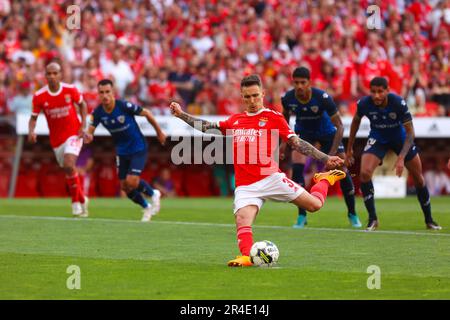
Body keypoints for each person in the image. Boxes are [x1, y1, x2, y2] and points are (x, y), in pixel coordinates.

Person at [170, 74, 346, 267]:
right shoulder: (235, 120)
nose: (252, 101)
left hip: (270, 178)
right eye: (247, 97)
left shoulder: (273, 117)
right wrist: (181, 115)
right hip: (246, 185)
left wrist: (325, 158)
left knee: (314, 206)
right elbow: (207, 127)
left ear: (263, 94)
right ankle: (246, 256)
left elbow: (297, 143)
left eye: (255, 95)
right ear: (242, 97)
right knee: (242, 218)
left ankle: (323, 180)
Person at [346, 77, 442, 231]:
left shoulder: (398, 103)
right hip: (378, 137)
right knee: (364, 173)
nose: (376, 95)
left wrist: (401, 158)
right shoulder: (364, 103)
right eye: (373, 92)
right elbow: (355, 122)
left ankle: (429, 219)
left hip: (400, 139)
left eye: (380, 92)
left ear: (387, 90)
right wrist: (349, 148)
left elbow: (410, 133)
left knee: (418, 178)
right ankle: (373, 219)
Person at [281, 66, 361, 229]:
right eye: (296, 83)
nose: (299, 86)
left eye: (303, 82)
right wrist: (283, 144)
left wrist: (330, 155)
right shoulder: (288, 98)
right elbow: (284, 123)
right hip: (304, 134)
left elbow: (339, 126)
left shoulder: (322, 97)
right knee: (297, 169)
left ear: (309, 82)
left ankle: (352, 213)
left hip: (327, 134)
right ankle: (301, 216)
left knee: (342, 169)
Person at [84, 79, 166, 222]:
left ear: (113, 92)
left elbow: (146, 113)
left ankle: (153, 193)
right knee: (125, 187)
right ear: (98, 94)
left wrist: (159, 132)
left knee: (132, 182)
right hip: (122, 151)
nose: (105, 95)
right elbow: (90, 129)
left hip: (138, 147)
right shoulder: (98, 112)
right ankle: (146, 207)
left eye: (107, 92)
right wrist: (88, 136)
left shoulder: (123, 106)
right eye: (101, 92)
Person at [28, 62, 89, 217]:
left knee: (69, 164)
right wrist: (31, 131)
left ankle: (75, 203)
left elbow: (83, 105)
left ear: (60, 74)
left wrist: (83, 125)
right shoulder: (39, 96)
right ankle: (82, 199)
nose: (52, 76)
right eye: (49, 73)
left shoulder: (70, 89)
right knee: (69, 170)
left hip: (74, 133)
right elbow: (33, 118)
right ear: (45, 76)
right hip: (56, 140)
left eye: (55, 73)